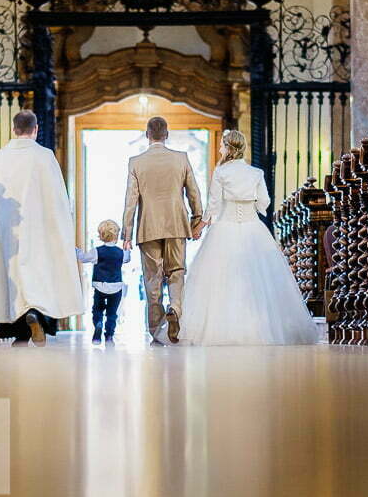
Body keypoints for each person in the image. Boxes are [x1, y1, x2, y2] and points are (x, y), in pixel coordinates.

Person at [180, 130, 320, 346]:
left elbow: (214, 204)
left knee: (220, 280)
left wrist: (200, 225)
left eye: (221, 146)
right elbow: (263, 202)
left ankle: (219, 329)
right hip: (253, 227)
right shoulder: (256, 173)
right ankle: (260, 327)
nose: (219, 149)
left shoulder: (221, 172)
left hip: (224, 228)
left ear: (228, 147)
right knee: (256, 279)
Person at [0, 110, 85, 346]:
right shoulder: (44, 156)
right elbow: (58, 199)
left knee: (12, 275)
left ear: (13, 129)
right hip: (39, 229)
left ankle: (18, 330)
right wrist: (62, 231)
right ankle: (36, 314)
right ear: (35, 129)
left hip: (8, 229)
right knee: (40, 272)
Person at [121, 116, 203, 344]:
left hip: (148, 227)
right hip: (177, 224)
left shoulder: (136, 162)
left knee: (152, 278)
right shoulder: (181, 158)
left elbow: (130, 200)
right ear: (166, 135)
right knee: (176, 271)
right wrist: (197, 220)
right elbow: (194, 193)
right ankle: (175, 308)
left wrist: (126, 234)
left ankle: (157, 330)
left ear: (148, 135)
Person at [76, 220, 132, 344]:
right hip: (116, 287)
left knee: (97, 309)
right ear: (116, 236)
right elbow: (127, 258)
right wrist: (127, 248)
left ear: (101, 235)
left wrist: (76, 250)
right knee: (112, 313)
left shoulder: (97, 251)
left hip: (100, 286)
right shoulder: (120, 253)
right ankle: (109, 336)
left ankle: (98, 325)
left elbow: (83, 258)